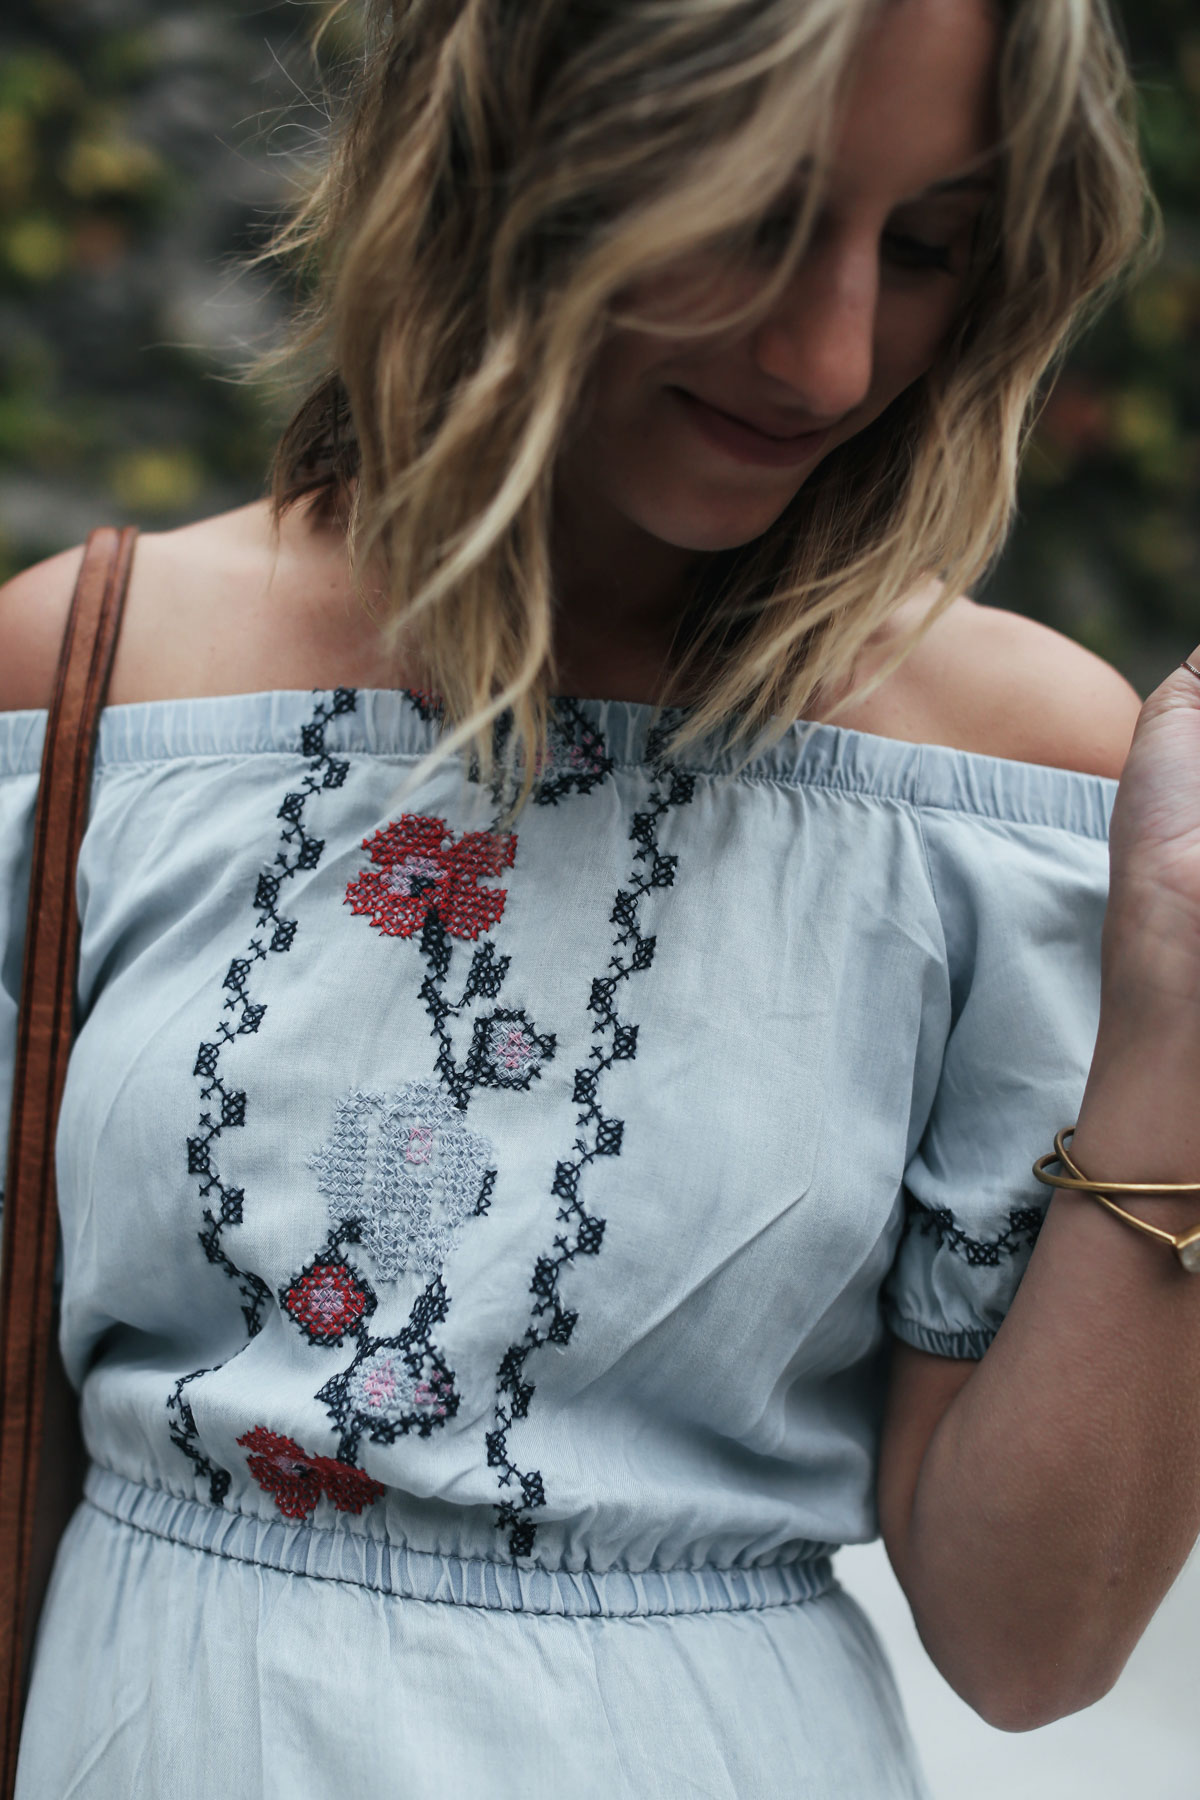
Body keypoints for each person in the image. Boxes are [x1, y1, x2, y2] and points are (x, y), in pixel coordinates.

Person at [2, 0, 1198, 1793]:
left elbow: (1031, 1646)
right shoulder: (91, 684)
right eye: (748, 214)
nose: (829, 354)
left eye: (927, 245)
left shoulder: (1007, 776)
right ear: (505, 154)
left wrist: (1184, 1010)